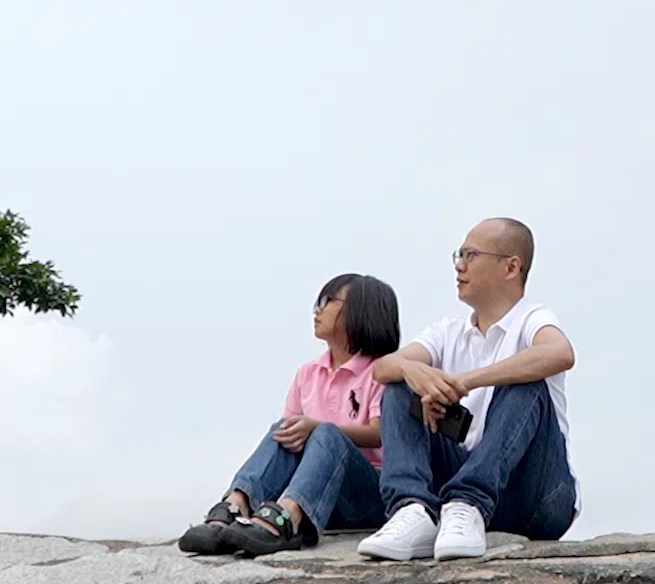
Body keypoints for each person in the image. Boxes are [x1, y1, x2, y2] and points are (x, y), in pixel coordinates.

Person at [358, 218, 577, 561]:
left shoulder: (534, 318)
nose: (459, 265)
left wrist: (466, 381)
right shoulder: (447, 331)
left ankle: (468, 501)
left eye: (471, 255)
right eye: (458, 255)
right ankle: (413, 511)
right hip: (460, 487)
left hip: (536, 496)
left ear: (510, 266)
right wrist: (412, 370)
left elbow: (559, 353)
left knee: (527, 379)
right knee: (399, 384)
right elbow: (381, 369)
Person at [180, 273, 401, 557]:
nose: (316, 309)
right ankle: (237, 503)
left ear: (360, 311)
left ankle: (287, 518)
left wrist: (318, 427)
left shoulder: (380, 372)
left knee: (325, 433)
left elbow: (380, 434)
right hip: (318, 496)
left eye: (327, 301)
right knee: (284, 428)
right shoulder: (307, 373)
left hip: (364, 499)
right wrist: (304, 429)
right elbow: (288, 443)